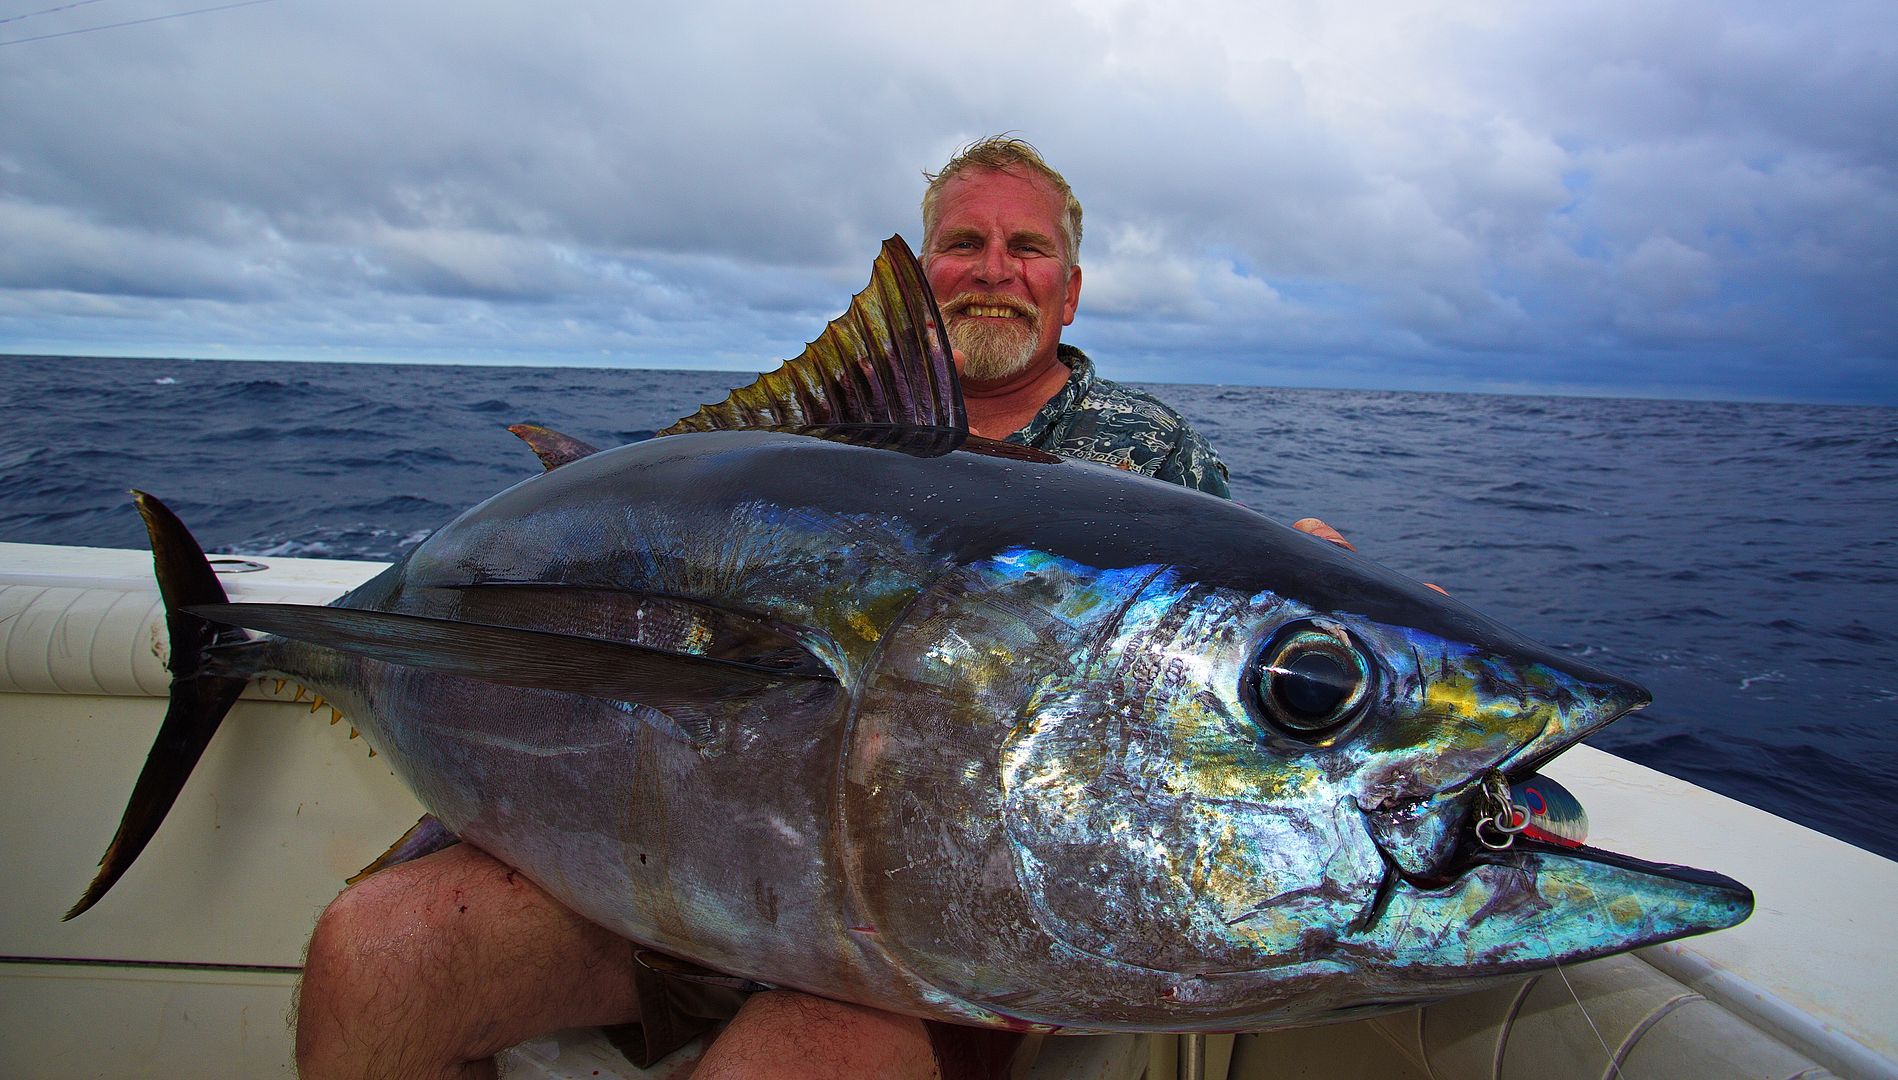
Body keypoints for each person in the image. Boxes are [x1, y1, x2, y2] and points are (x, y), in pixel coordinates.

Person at [294, 137, 1347, 1080]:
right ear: (923, 273)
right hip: (669, 877)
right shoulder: (801, 446)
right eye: (962, 242)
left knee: (794, 1059)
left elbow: (1232, 684)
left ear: (1067, 292)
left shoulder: (1151, 458)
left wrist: (1319, 608)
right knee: (374, 953)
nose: (992, 270)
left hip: (935, 925)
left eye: (1026, 249)